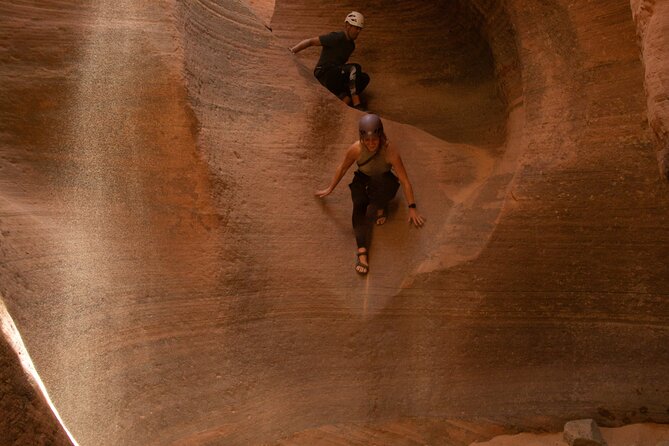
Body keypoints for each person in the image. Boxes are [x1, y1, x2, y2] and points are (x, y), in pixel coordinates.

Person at [315, 114, 425, 275]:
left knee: (387, 186)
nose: (371, 143)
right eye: (367, 140)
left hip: (383, 179)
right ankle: (362, 252)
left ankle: (381, 205)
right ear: (361, 138)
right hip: (363, 179)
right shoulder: (356, 149)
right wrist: (330, 188)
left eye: (374, 139)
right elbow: (343, 167)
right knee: (359, 205)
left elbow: (404, 180)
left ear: (381, 136)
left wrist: (412, 207)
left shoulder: (390, 150)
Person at [289, 11, 370, 109]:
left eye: (360, 29)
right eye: (356, 28)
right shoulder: (336, 37)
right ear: (348, 26)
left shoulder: (351, 46)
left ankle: (344, 103)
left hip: (335, 76)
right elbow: (311, 42)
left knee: (364, 78)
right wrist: (292, 51)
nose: (358, 32)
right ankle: (356, 103)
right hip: (324, 72)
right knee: (355, 67)